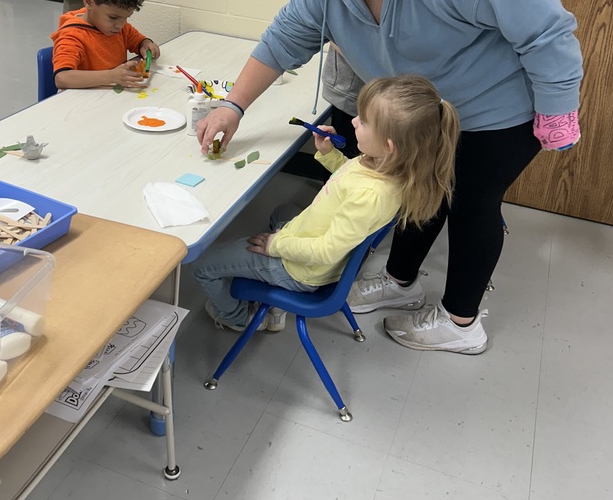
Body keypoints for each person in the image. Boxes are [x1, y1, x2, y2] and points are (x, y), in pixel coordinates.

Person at [197, 0, 583, 354]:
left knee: (469, 204)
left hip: (495, 111)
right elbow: (288, 34)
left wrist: (557, 108)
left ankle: (461, 324)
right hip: (420, 112)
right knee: (416, 192)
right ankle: (401, 283)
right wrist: (234, 105)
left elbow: (547, 31)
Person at [193, 76, 459, 334]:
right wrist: (328, 154)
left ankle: (237, 317)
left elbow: (326, 251)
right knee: (282, 211)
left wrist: (276, 245)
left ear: (389, 146)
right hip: (316, 247)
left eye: (363, 121)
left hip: (302, 270)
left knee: (203, 265)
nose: (354, 121)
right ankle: (272, 301)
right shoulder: (382, 166)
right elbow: (350, 177)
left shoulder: (372, 195)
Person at [51, 0, 160, 90]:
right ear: (89, 2)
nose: (120, 25)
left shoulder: (120, 28)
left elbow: (139, 42)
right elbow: (61, 78)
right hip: (83, 105)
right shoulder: (72, 36)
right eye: (113, 17)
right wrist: (110, 76)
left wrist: (146, 44)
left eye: (126, 18)